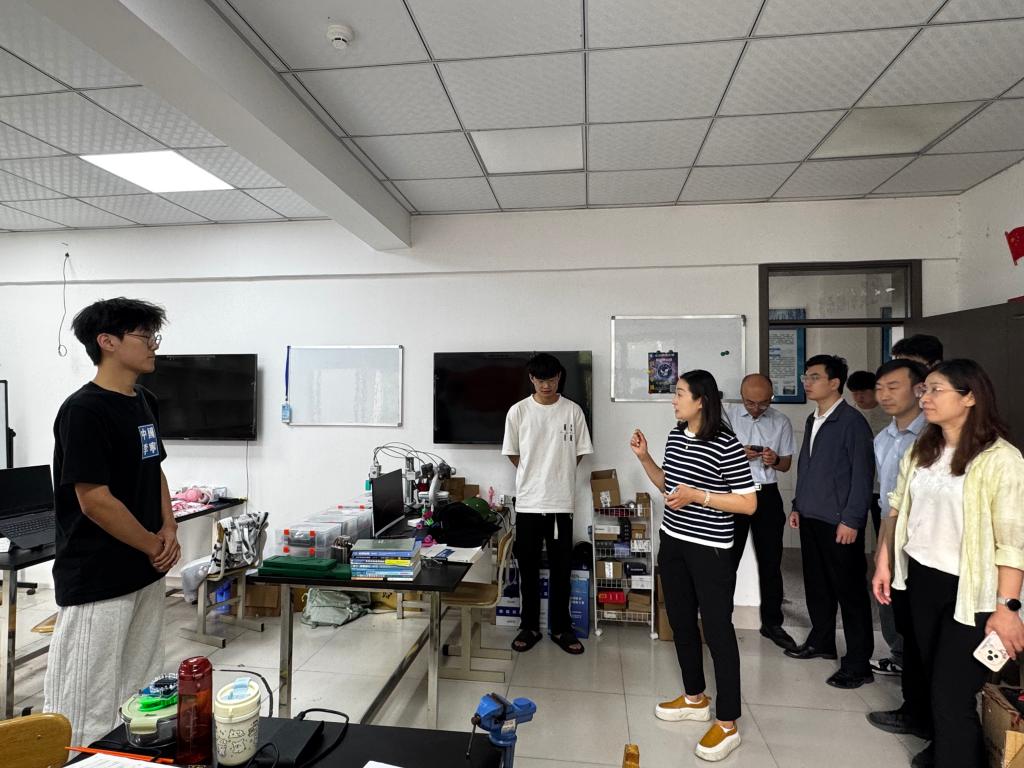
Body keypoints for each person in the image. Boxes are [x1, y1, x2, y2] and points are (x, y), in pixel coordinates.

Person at [873, 359, 1024, 768]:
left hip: (971, 591)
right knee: (929, 675)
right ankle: (945, 750)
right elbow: (896, 508)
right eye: (925, 390)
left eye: (936, 390)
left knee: (952, 691)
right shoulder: (923, 449)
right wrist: (884, 562)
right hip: (922, 579)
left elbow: (1012, 543)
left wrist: (1007, 608)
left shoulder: (1000, 459)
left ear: (970, 397)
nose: (926, 397)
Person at [43, 297, 180, 746]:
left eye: (154, 335)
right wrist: (152, 544)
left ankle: (127, 755)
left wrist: (170, 528)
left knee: (140, 692)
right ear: (107, 342)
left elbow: (153, 468)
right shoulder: (84, 411)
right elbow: (94, 501)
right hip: (98, 576)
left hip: (145, 571)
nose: (153, 345)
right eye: (145, 336)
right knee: (85, 700)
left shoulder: (144, 401)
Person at [631, 370, 756, 762]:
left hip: (711, 550)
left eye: (680, 393)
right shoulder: (675, 436)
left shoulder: (725, 443)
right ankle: (694, 697)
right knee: (682, 622)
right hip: (673, 543)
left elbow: (748, 503)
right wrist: (644, 458)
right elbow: (668, 486)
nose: (674, 400)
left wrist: (699, 496)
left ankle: (728, 722)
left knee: (717, 631)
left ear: (701, 400)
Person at [785, 354, 876, 690]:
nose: (807, 382)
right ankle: (822, 641)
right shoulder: (814, 419)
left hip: (840, 522)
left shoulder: (852, 422)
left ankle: (858, 663)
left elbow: (862, 476)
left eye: (814, 377)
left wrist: (852, 519)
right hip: (811, 516)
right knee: (817, 585)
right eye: (805, 376)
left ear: (835, 382)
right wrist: (798, 504)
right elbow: (807, 467)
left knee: (850, 592)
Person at [502, 353, 593, 655]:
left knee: (561, 570)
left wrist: (558, 475)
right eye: (541, 380)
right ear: (532, 379)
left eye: (551, 379)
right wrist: (534, 475)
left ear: (559, 377)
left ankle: (561, 628)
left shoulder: (573, 411)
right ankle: (529, 626)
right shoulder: (518, 411)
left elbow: (579, 452)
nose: (546, 385)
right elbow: (513, 453)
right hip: (528, 503)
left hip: (561, 504)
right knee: (527, 569)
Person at [865, 359, 931, 741]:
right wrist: (883, 553)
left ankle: (924, 713)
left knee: (924, 631)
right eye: (880, 388)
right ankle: (913, 705)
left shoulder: (934, 437)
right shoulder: (884, 439)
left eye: (894, 386)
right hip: (894, 539)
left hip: (925, 547)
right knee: (901, 617)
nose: (884, 395)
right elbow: (887, 504)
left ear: (919, 389)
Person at [723, 373, 797, 651]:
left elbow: (786, 464)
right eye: (750, 403)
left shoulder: (781, 421)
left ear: (771, 398)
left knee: (771, 561)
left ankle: (772, 623)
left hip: (766, 495)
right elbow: (714, 456)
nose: (756, 408)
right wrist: (738, 454)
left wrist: (773, 459)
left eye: (763, 403)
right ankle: (721, 619)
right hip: (734, 494)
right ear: (741, 397)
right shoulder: (727, 417)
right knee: (726, 560)